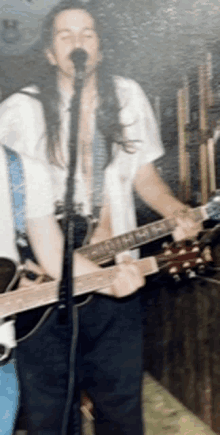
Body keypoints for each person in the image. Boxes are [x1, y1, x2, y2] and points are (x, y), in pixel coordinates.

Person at [0, 1, 201, 434]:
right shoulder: (20, 111)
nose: (78, 43)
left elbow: (144, 176)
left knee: (122, 401)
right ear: (51, 53)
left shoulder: (128, 97)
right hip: (43, 285)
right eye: (65, 35)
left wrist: (176, 211)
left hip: (119, 271)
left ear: (102, 48)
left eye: (88, 33)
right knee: (51, 410)